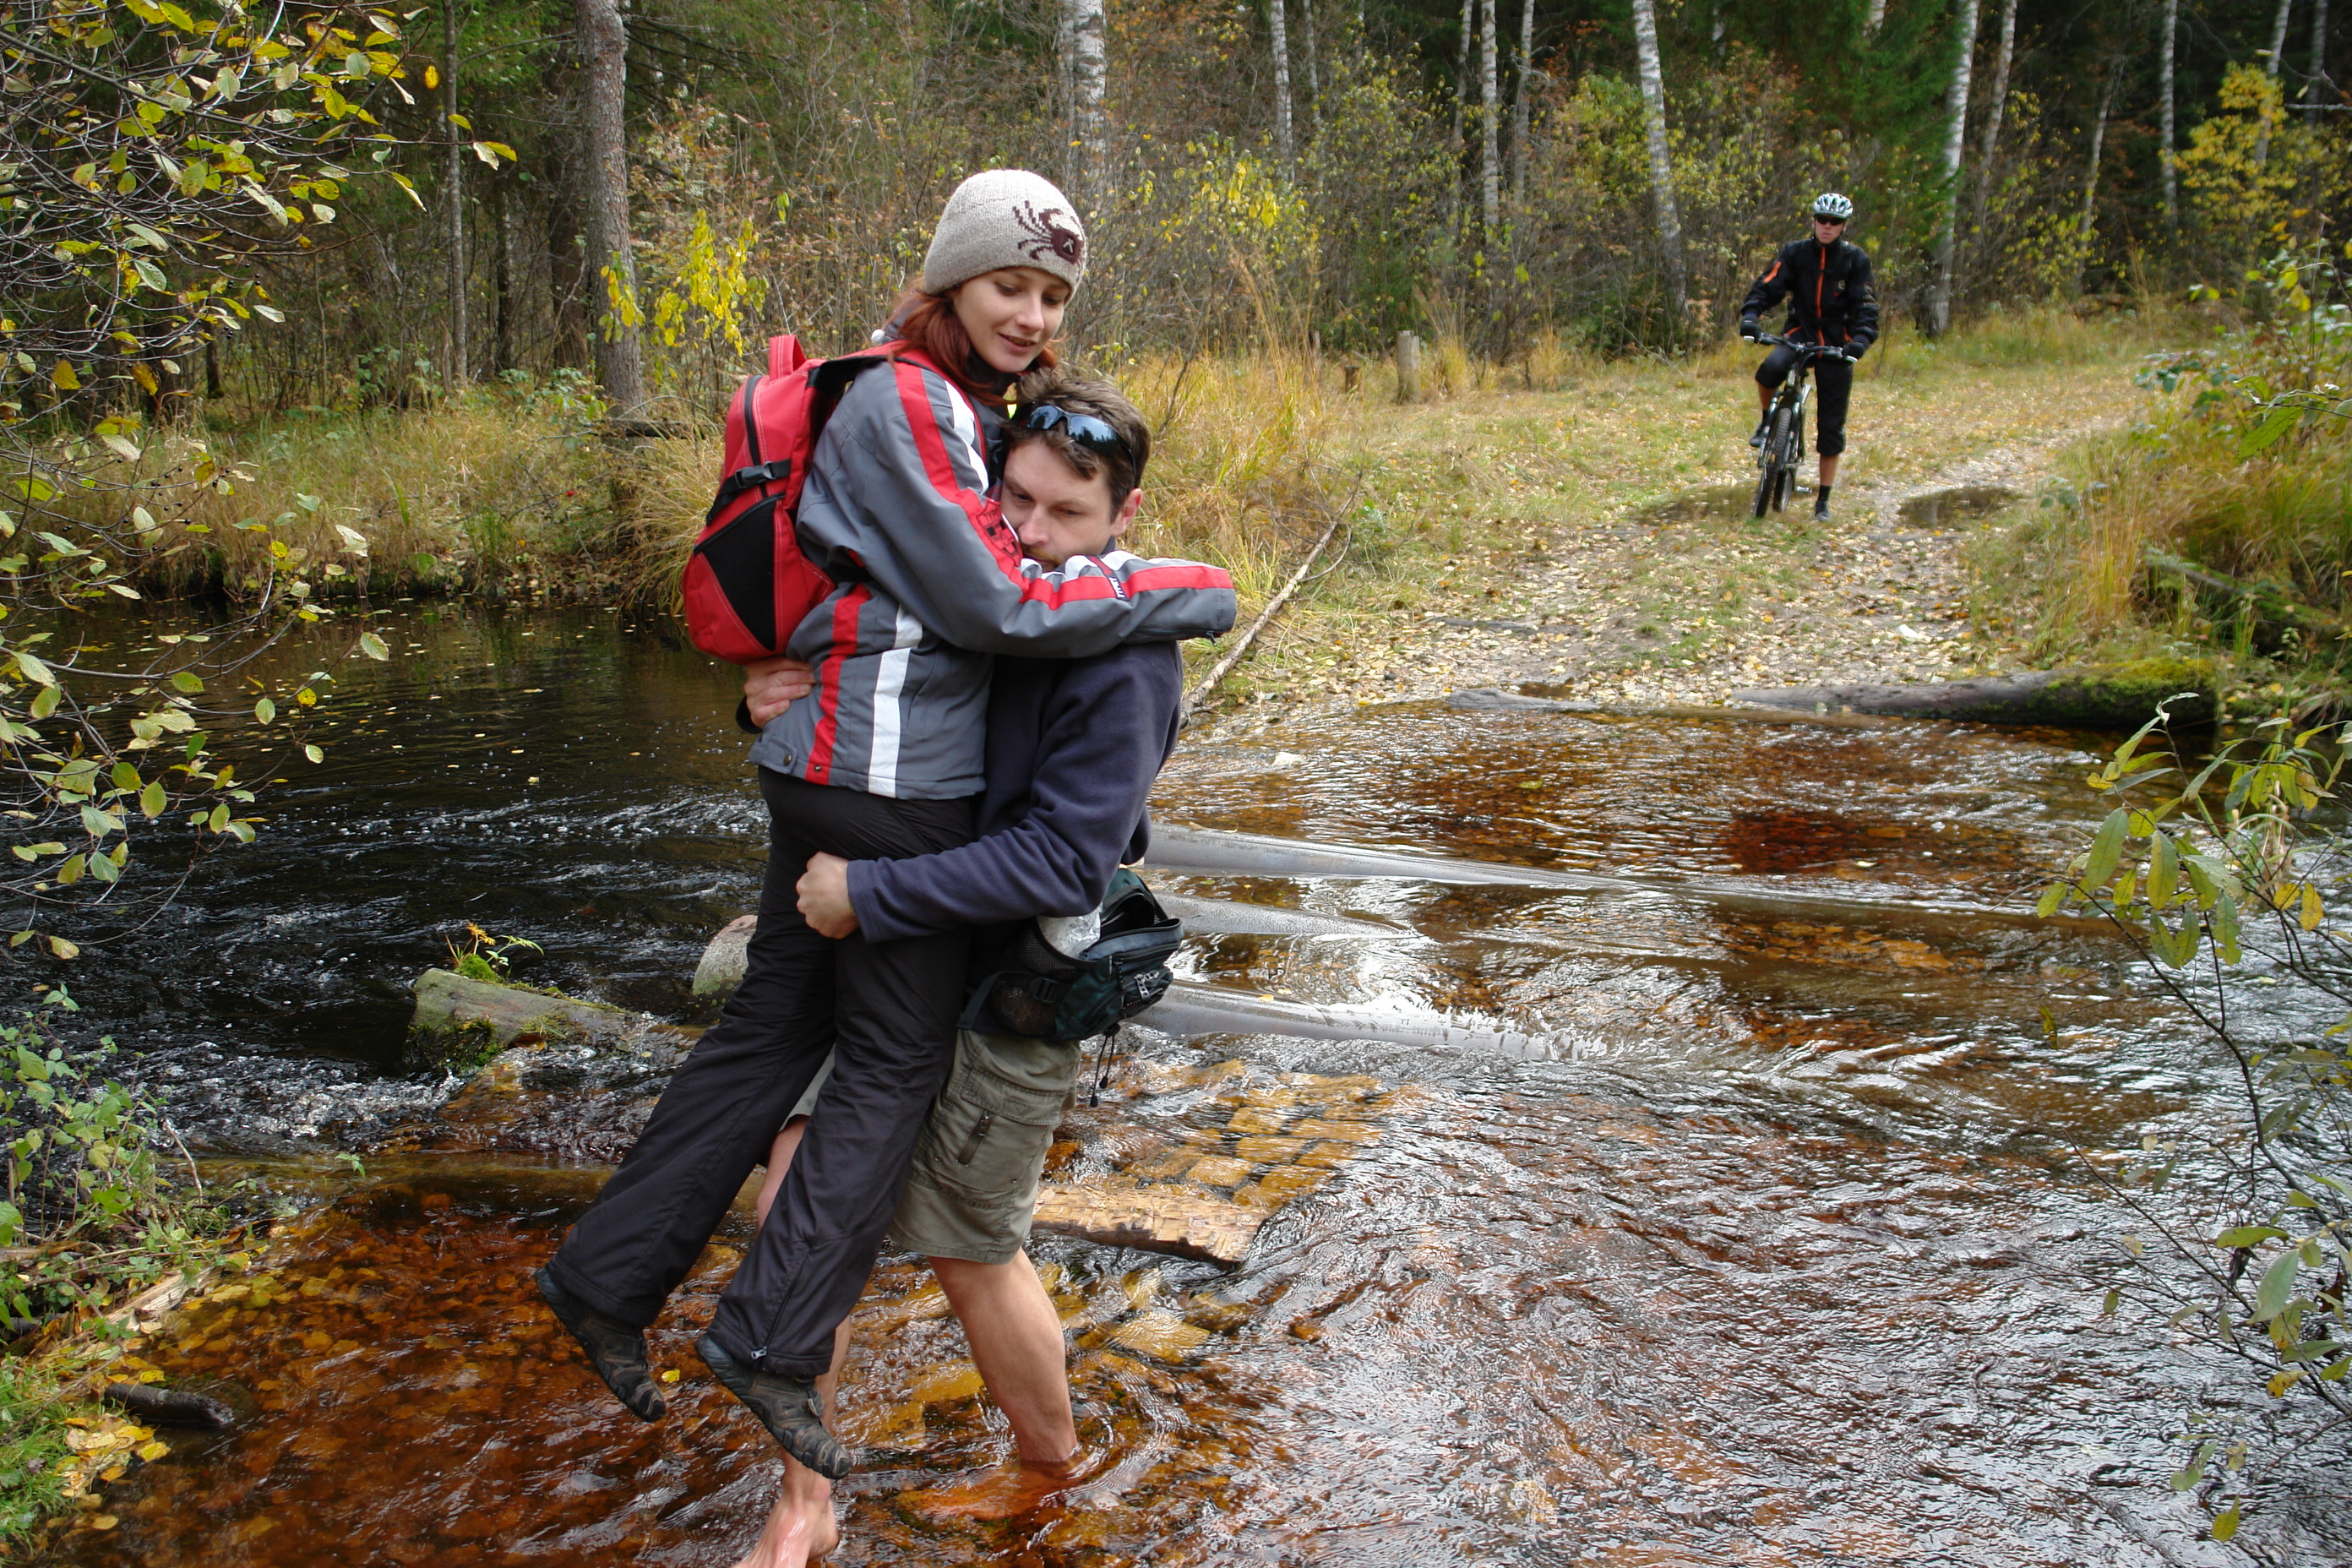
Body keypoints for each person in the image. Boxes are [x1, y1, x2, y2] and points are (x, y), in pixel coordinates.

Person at [532, 171, 1234, 1489]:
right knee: (891, 1067)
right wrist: (1189, 588)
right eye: (1009, 284)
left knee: (771, 1030)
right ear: (952, 278)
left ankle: (607, 1282)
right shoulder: (917, 402)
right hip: (886, 787)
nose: (1031, 314)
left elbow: (891, 601)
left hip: (846, 768)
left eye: (1051, 295)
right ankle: (772, 1344)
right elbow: (993, 608)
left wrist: (788, 686)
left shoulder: (951, 407)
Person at [728, 368, 1179, 1568]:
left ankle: (1050, 1473)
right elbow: (869, 700)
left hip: (1010, 985)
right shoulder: (961, 581)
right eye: (1014, 501)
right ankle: (804, 1502)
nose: (1031, 532)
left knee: (968, 1246)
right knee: (791, 1199)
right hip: (886, 965)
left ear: (1125, 517)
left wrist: (868, 892)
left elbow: (1062, 860)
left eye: (1067, 513)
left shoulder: (1128, 655)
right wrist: (769, 699)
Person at [1740, 191, 1879, 521]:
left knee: (1831, 426)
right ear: (1814, 221)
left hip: (1837, 343)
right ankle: (1767, 421)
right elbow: (1767, 286)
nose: (1827, 226)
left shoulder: (1855, 260)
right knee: (1769, 371)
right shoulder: (1795, 253)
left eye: (1835, 222)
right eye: (1822, 220)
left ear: (1844, 226)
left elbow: (1867, 306)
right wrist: (1751, 316)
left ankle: (1823, 501)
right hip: (1799, 333)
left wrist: (1860, 341)